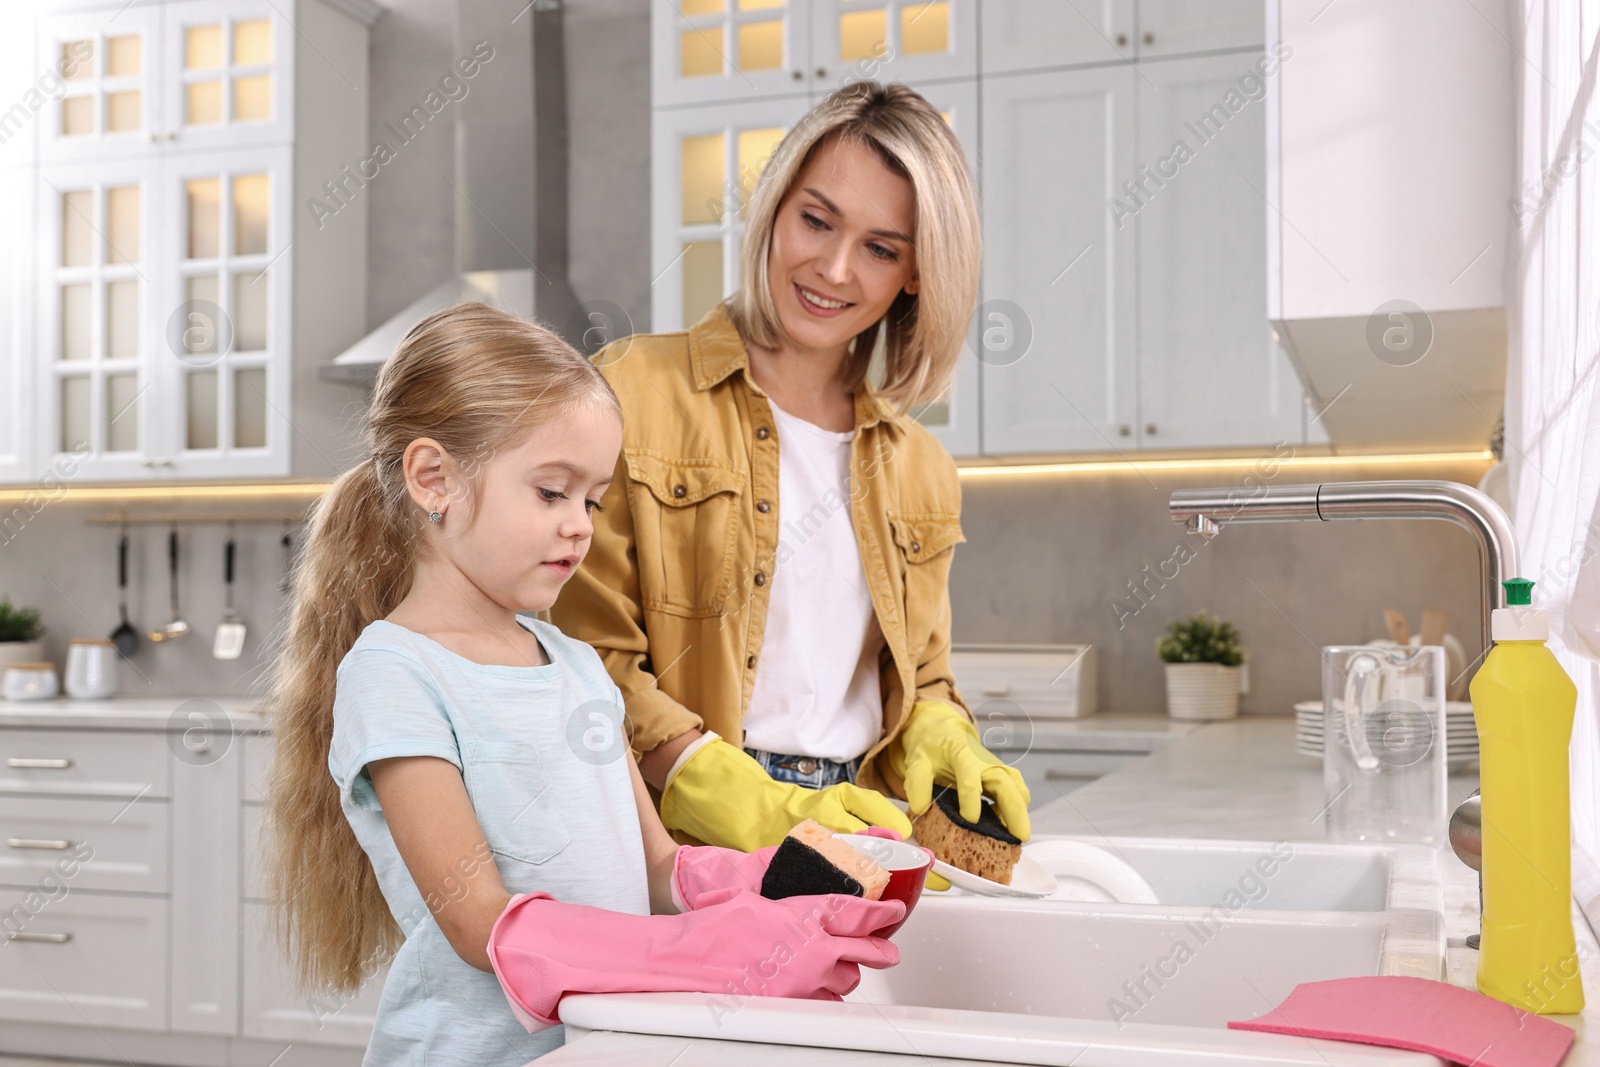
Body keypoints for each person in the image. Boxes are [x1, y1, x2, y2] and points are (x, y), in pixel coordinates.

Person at [262, 303, 903, 1066]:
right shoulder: (395, 673)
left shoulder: (575, 664)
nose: (581, 526)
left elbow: (660, 870)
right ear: (434, 477)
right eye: (551, 492)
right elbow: (481, 924)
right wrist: (708, 950)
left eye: (592, 499)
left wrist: (792, 873)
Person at [551, 81, 1031, 871]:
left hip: (861, 831)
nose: (834, 268)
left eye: (881, 248)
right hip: (669, 837)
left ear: (916, 272)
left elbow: (920, 677)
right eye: (816, 219)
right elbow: (577, 653)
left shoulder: (921, 467)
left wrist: (943, 731)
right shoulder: (630, 391)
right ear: (772, 209)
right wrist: (720, 785)